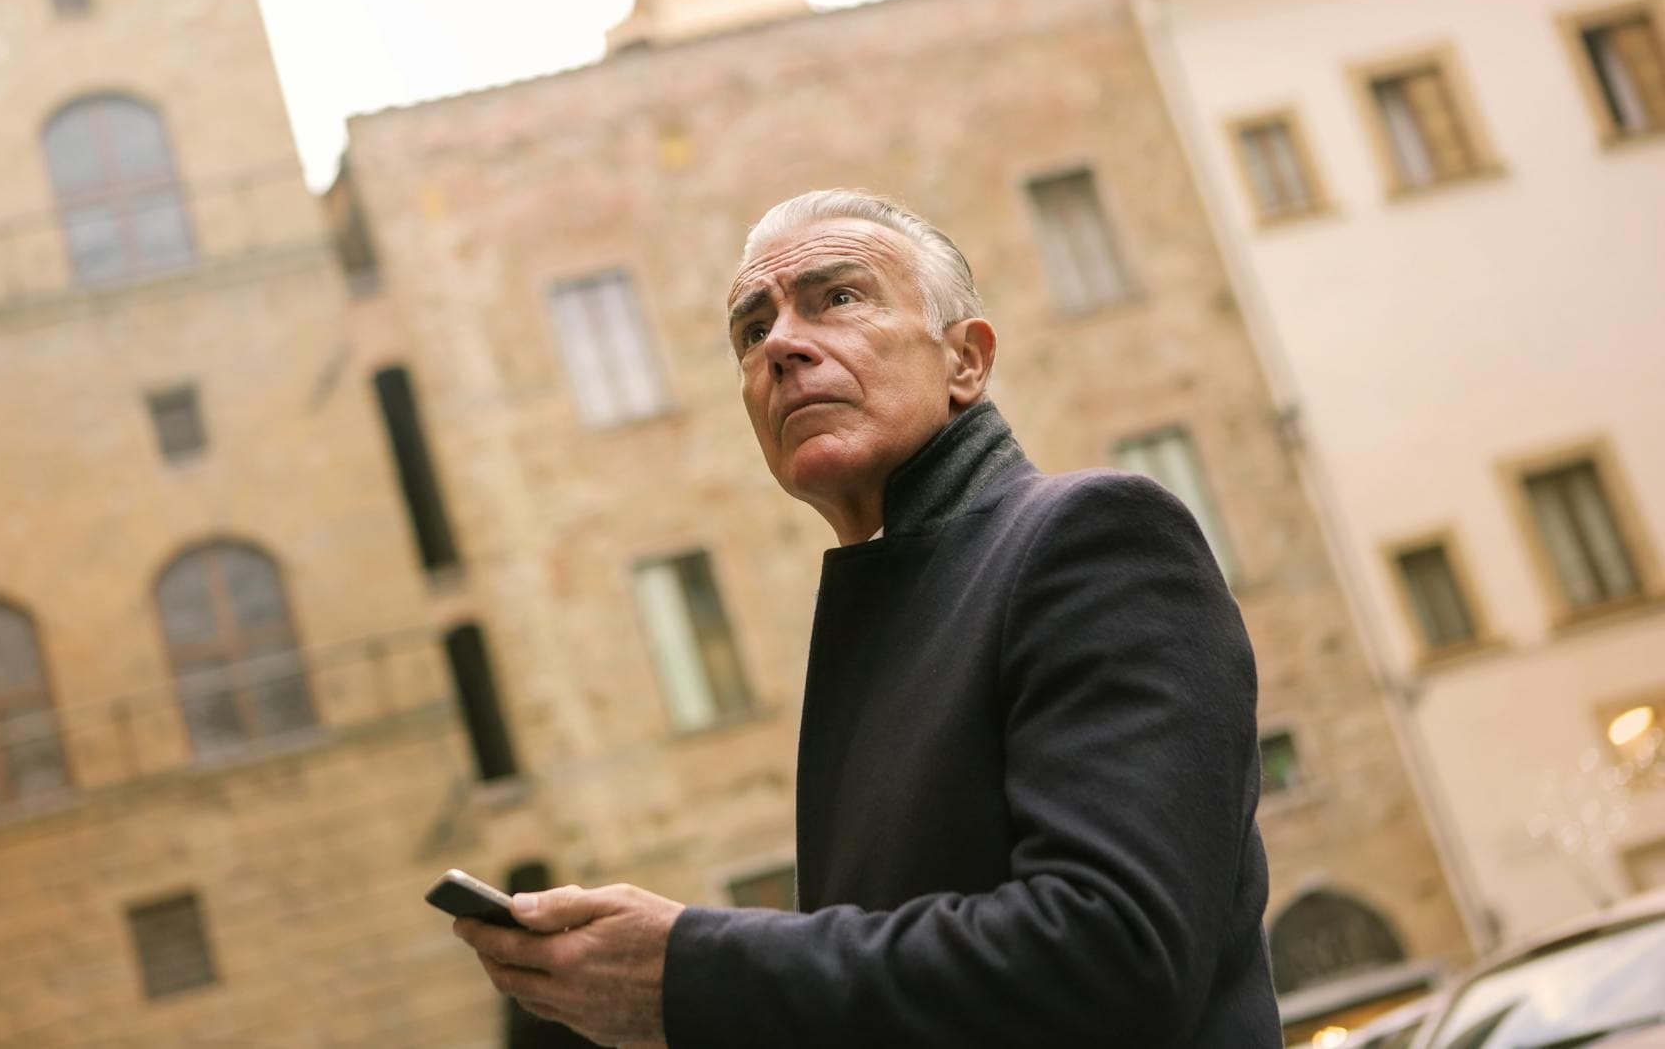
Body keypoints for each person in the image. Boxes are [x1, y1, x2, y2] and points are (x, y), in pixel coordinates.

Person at [453, 189, 1283, 1047]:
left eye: (837, 298)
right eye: (751, 330)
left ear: (967, 360)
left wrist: (690, 969)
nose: (780, 343)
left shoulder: (1093, 538)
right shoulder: (883, 614)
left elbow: (1114, 961)